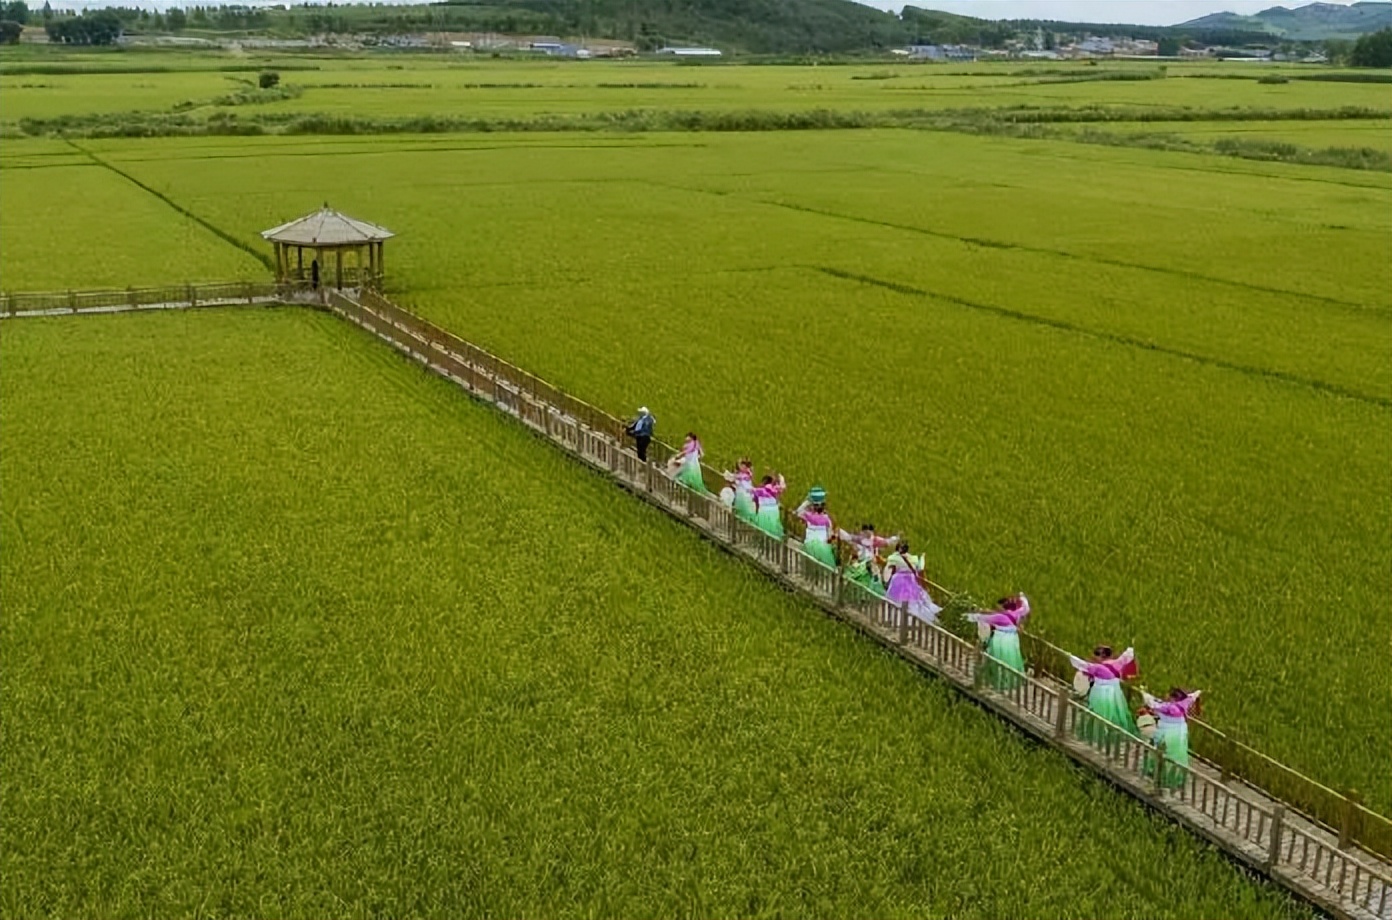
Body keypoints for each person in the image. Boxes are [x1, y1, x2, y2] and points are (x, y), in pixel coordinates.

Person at [1068, 645, 1139, 746]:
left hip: (1101, 692)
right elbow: (1127, 656)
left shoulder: (1098, 667)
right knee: (1115, 711)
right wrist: (1130, 649)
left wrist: (1071, 657)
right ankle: (1114, 732)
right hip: (1115, 693)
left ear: (1102, 656)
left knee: (1098, 712)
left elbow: (1082, 665)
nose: (1094, 657)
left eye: (1096, 654)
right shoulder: (1117, 663)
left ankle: (1098, 734)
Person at [965, 594, 1030, 691]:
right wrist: (1022, 597)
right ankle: (1012, 680)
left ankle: (998, 682)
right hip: (1013, 641)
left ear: (1002, 607)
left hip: (1001, 640)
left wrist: (965, 616)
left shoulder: (999, 617)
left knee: (997, 659)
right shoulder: (1016, 614)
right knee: (1011, 660)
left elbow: (979, 618)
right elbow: (1025, 608)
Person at [1142, 687, 1201, 789]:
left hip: (1167, 732)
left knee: (1163, 751)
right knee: (1177, 752)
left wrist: (1144, 693)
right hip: (1179, 732)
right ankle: (1177, 774)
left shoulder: (1167, 708)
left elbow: (1151, 703)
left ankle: (1160, 774)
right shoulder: (1184, 703)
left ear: (1172, 698)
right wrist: (1198, 693)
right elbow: (1193, 696)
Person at [882, 541, 942, 624]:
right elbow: (920, 568)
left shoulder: (893, 558)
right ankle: (912, 617)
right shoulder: (914, 558)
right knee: (912, 600)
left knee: (896, 600)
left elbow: (890, 569)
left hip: (898, 580)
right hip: (911, 580)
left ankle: (894, 618)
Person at [837, 523, 897, 598]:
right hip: (868, 563)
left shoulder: (859, 539)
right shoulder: (873, 540)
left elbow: (847, 537)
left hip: (862, 562)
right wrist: (894, 538)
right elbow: (887, 542)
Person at [794, 486, 837, 568]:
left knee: (810, 565)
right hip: (823, 547)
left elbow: (797, 512)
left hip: (810, 544)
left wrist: (807, 501)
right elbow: (830, 535)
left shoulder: (808, 516)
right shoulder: (827, 519)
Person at [751, 473, 786, 538]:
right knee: (773, 527)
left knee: (763, 527)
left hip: (763, 510)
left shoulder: (758, 491)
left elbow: (756, 502)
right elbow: (782, 488)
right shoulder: (774, 490)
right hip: (773, 511)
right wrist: (781, 478)